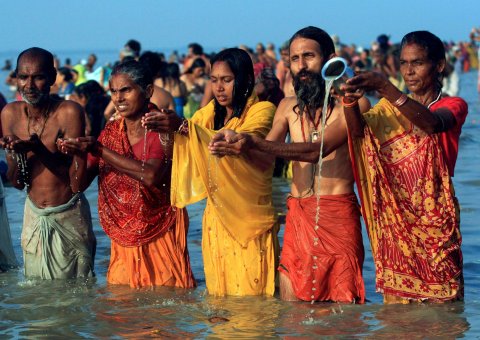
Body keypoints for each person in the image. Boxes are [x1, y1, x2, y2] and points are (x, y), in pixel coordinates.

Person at [209, 26, 370, 303]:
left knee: (343, 316)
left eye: (308, 56)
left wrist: (251, 142)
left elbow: (317, 150)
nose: (301, 66)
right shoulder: (286, 107)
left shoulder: (354, 104)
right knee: (292, 310)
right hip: (298, 216)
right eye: (295, 59)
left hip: (337, 216)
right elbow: (263, 162)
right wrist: (234, 148)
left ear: (330, 58)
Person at [341, 30, 467, 303]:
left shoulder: (453, 104)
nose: (409, 71)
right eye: (404, 64)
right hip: (397, 215)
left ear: (439, 66)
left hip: (436, 215)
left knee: (443, 304)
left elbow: (432, 124)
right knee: (398, 311)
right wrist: (349, 100)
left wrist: (386, 87)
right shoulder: (389, 108)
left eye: (418, 63)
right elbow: (359, 133)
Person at [142, 48, 279, 296]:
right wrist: (167, 128)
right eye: (214, 80)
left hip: (250, 219)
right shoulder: (208, 114)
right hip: (216, 219)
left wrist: (183, 127)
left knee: (255, 303)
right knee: (219, 303)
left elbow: (240, 142)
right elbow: (188, 140)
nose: (219, 88)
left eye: (227, 80)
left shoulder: (263, 110)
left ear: (246, 79)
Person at [58, 60, 196, 289]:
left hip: (161, 234)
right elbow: (77, 185)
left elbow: (151, 175)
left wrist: (98, 150)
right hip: (122, 241)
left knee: (165, 312)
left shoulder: (160, 127)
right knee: (123, 314)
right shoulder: (110, 133)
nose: (118, 98)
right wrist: (78, 153)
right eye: (113, 91)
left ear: (148, 91)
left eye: (126, 90)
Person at [0, 47, 96, 279]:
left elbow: (76, 183)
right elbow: (16, 183)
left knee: (75, 297)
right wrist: (17, 153)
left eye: (38, 77)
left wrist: (37, 149)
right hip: (32, 216)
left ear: (52, 79)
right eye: (24, 77)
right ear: (16, 79)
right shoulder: (10, 114)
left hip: (69, 214)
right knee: (38, 299)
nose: (29, 85)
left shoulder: (69, 112)